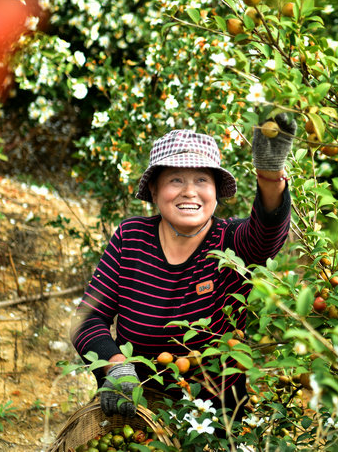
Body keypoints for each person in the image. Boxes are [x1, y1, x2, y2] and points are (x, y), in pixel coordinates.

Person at [70, 115, 296, 426]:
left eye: (202, 180)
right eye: (176, 179)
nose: (189, 192)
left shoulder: (231, 245)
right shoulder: (131, 237)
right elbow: (87, 318)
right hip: (135, 405)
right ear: (153, 189)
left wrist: (270, 176)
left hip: (213, 417)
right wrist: (116, 367)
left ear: (216, 191)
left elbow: (266, 233)